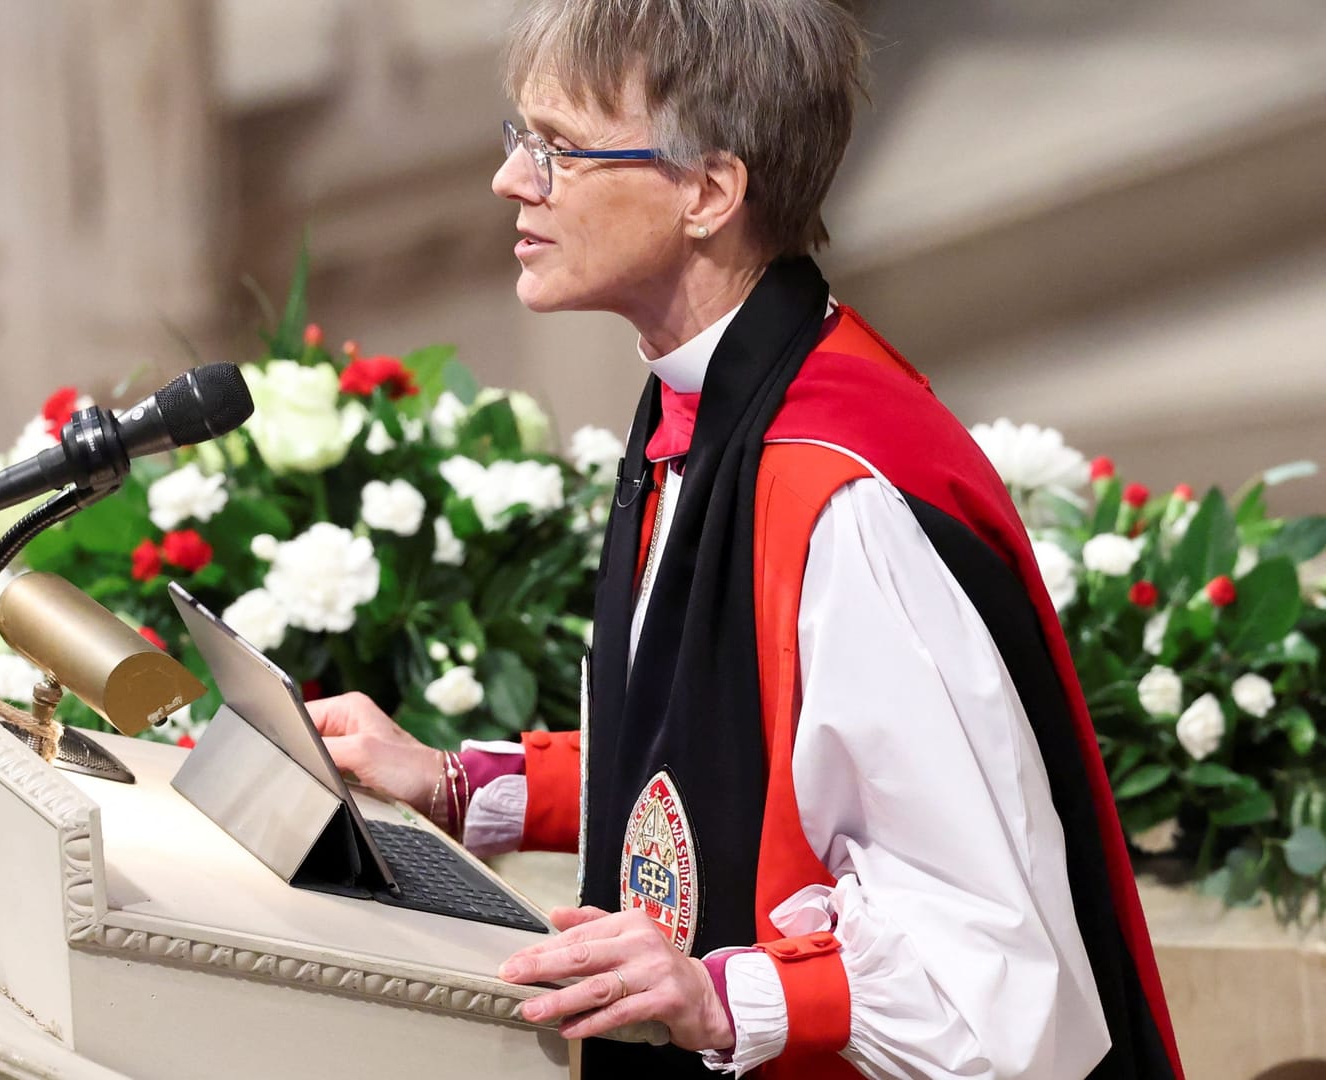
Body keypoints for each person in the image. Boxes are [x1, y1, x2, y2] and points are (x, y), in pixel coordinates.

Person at [307, 1, 1182, 1077]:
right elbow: (735, 762)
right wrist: (459, 783)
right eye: (518, 139)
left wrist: (717, 994)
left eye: (560, 151)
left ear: (709, 193)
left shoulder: (839, 494)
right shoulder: (710, 402)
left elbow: (992, 981)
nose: (512, 181)